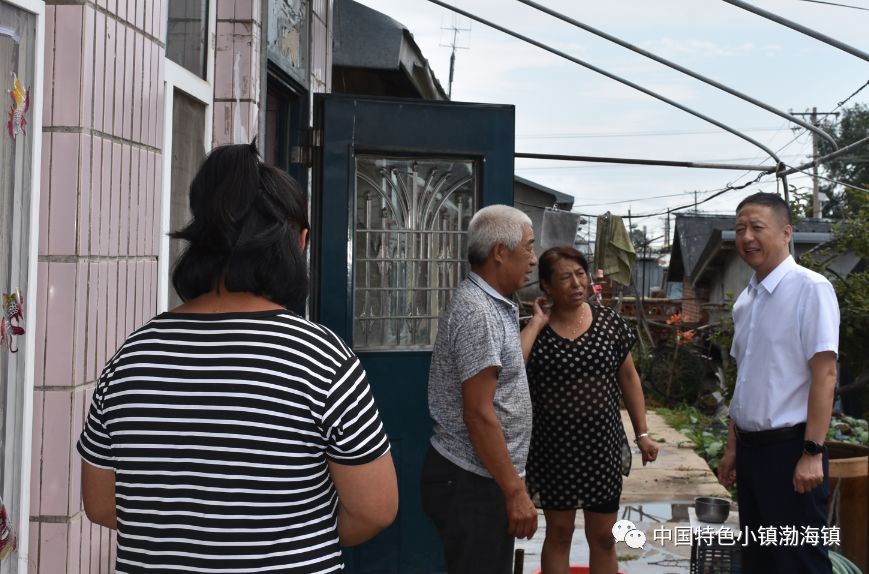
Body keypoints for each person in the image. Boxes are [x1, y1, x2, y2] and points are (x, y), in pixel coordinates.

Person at [77, 143, 398, 573]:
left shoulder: (133, 353)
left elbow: (100, 505)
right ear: (298, 243)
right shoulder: (320, 358)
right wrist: (289, 536)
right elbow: (375, 509)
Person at [717, 192, 839, 574]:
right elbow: (746, 381)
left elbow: (826, 374)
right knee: (759, 560)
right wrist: (733, 448)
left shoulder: (811, 289)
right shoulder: (746, 301)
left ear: (786, 233)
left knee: (800, 562)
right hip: (753, 455)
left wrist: (812, 452)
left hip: (791, 452)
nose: (747, 237)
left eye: (757, 227)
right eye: (740, 229)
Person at [520, 246, 658, 574]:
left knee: (604, 537)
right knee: (559, 534)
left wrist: (643, 433)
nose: (576, 283)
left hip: (601, 448)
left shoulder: (609, 323)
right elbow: (512, 370)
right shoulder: (535, 329)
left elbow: (628, 377)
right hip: (555, 451)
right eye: (565, 278)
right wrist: (537, 323)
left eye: (580, 274)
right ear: (547, 287)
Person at [420, 204, 539, 574]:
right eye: (529, 247)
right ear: (500, 253)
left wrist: (536, 324)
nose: (534, 259)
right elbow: (478, 413)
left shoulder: (494, 304)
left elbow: (504, 368)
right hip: (471, 480)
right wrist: (515, 492)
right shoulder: (479, 312)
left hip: (481, 476)